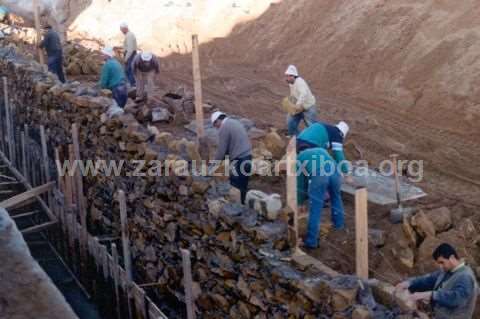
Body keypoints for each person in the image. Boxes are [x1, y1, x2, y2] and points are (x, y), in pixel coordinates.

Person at [396, 243, 478, 319]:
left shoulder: (466, 276)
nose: (440, 266)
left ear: (452, 258)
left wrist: (431, 295)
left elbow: (456, 299)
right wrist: (409, 283)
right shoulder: (446, 271)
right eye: (439, 263)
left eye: (442, 262)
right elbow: (428, 280)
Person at [297, 147, 345, 249]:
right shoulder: (321, 150)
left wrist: (300, 202)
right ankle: (339, 225)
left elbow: (301, 184)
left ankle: (311, 242)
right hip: (335, 172)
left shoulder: (299, 158)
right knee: (336, 198)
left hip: (319, 174)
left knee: (315, 208)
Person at [211, 111, 252, 204]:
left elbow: (221, 150)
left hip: (239, 159)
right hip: (248, 156)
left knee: (235, 186)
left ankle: (236, 210)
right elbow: (229, 147)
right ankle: (243, 205)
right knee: (243, 185)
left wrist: (213, 164)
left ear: (218, 121)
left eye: (215, 125)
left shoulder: (224, 128)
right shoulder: (235, 122)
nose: (216, 128)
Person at [284, 65, 317, 136]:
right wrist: (292, 104)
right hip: (298, 107)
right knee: (290, 121)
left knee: (311, 126)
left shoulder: (300, 82)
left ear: (293, 76)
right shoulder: (291, 83)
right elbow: (293, 94)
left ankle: (315, 139)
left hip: (308, 107)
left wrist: (298, 105)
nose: (286, 78)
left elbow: (303, 94)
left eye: (287, 76)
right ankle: (297, 137)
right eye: (286, 76)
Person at [120, 22, 137, 87]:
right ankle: (132, 85)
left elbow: (130, 49)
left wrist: (126, 58)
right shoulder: (129, 35)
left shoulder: (129, 35)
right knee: (128, 70)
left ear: (125, 28)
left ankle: (132, 85)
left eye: (121, 30)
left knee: (129, 70)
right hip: (130, 54)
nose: (121, 31)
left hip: (130, 55)